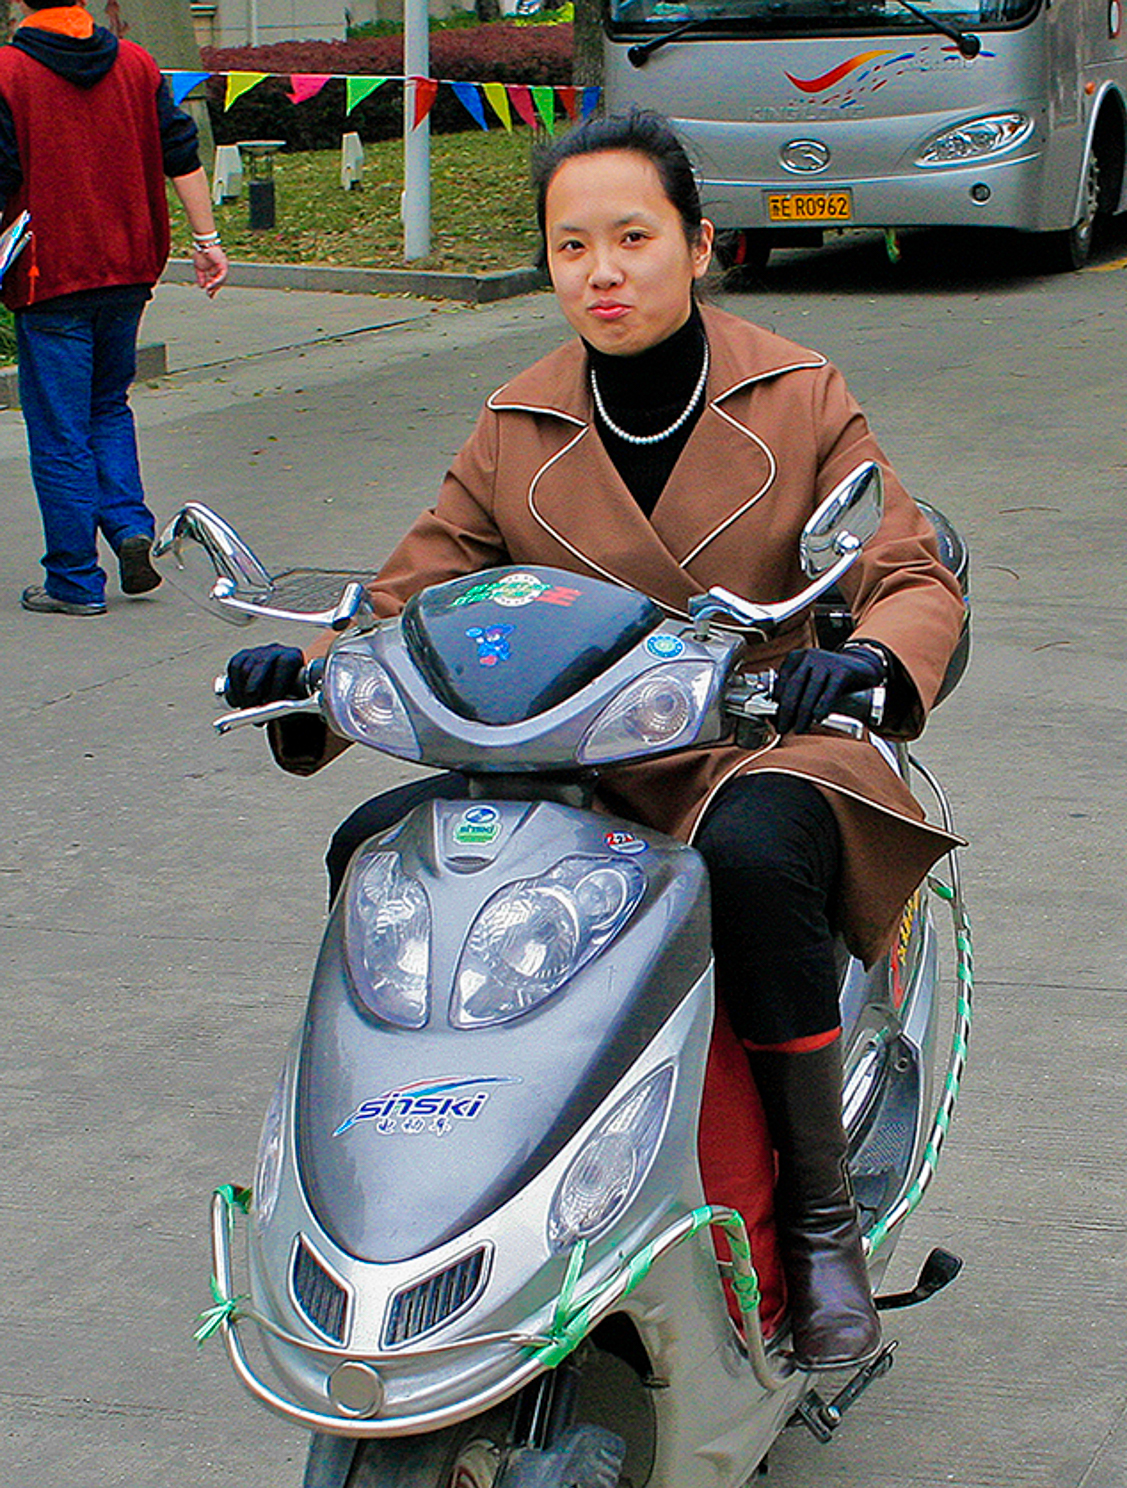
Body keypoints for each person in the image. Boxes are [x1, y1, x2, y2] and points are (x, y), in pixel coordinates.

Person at [223, 109, 965, 1371]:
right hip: (563, 765)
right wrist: (309, 677)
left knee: (754, 857)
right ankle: (425, 1190)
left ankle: (816, 1223)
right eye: (572, 246)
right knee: (378, 855)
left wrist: (869, 660)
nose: (602, 272)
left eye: (632, 238)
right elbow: (410, 591)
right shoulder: (516, 421)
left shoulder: (796, 394)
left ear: (697, 245)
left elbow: (902, 568)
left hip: (754, 743)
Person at [0, 0, 228, 616]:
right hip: (128, 268)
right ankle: (129, 527)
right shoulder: (136, 63)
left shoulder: (8, 74)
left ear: (20, 2)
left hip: (50, 276)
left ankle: (74, 579)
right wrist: (206, 241)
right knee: (107, 407)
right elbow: (180, 152)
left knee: (59, 431)